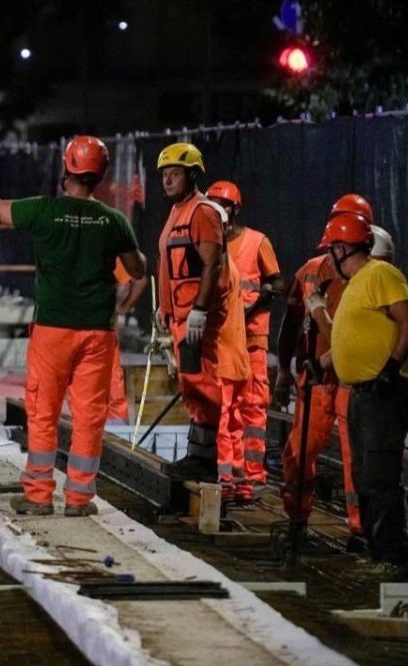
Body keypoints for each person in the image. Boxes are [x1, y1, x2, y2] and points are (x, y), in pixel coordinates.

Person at [0, 135, 146, 517]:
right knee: (89, 415)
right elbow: (138, 270)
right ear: (100, 176)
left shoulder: (44, 211)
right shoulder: (114, 222)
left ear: (67, 170)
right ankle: (79, 499)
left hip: (52, 330)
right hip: (97, 332)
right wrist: (125, 292)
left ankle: (38, 496)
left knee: (43, 412)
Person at [325, 211, 408, 582]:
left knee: (381, 478)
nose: (330, 258)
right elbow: (351, 337)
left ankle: (395, 560)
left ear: (342, 249)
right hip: (363, 395)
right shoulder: (357, 284)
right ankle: (379, 554)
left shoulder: (380, 274)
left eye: (332, 249)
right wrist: (322, 362)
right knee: (365, 478)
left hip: (383, 394)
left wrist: (390, 370)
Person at [275, 194, 372, 550]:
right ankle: (297, 519)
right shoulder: (311, 271)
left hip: (350, 380)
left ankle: (360, 530)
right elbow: (290, 324)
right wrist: (283, 369)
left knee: (355, 458)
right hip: (317, 379)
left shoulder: (369, 277)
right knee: (299, 453)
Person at [154, 144, 250, 496]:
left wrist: (200, 309)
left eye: (175, 174)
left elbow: (212, 264)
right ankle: (198, 455)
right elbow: (171, 267)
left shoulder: (202, 212)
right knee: (191, 386)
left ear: (192, 175)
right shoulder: (177, 211)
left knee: (203, 386)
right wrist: (164, 309)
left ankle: (205, 460)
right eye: (165, 175)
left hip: (196, 318)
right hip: (179, 317)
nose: (168, 180)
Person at [207, 180, 283, 487]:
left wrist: (258, 302)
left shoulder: (256, 241)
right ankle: (229, 472)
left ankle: (252, 474)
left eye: (222, 207)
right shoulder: (210, 244)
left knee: (252, 406)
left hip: (251, 339)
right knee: (225, 408)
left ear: (234, 210)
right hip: (223, 341)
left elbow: (277, 282)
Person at [107, 264, 148, 426]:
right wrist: (122, 307)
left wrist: (121, 307)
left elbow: (138, 280)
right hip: (103, 331)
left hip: (99, 331)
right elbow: (138, 280)